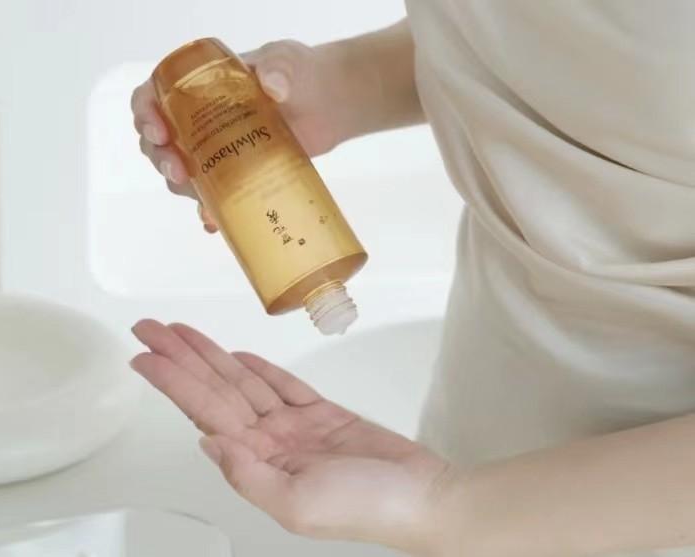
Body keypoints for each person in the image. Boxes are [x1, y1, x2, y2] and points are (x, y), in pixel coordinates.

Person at [129, 3, 695, 556]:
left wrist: (448, 511)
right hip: (474, 426)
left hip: (644, 509)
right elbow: (566, 43)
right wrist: (349, 83)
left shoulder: (447, 506)